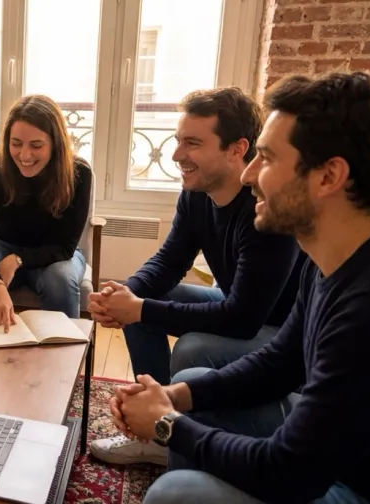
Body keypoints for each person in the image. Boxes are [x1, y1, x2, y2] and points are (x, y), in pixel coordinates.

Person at [113, 71, 370, 504]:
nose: (248, 174)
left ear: (328, 177)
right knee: (193, 383)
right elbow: (281, 363)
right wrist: (174, 397)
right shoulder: (332, 255)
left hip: (360, 488)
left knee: (175, 494)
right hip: (331, 458)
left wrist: (167, 425)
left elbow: (288, 472)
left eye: (266, 158)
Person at [86, 87, 304, 466]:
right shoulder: (197, 193)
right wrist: (123, 295)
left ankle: (174, 431)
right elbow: (169, 262)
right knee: (139, 307)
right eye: (178, 140)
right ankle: (155, 421)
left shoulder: (265, 208)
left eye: (192, 143)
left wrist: (140, 309)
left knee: (190, 348)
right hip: (239, 305)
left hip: (280, 330)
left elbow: (243, 319)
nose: (176, 155)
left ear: (236, 149)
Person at [0, 94, 93, 329]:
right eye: (16, 143)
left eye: (36, 145)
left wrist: (17, 260)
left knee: (59, 280)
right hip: (3, 245)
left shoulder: (79, 173)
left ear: (56, 143)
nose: (24, 155)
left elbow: (65, 247)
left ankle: (65, 348)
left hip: (56, 254)